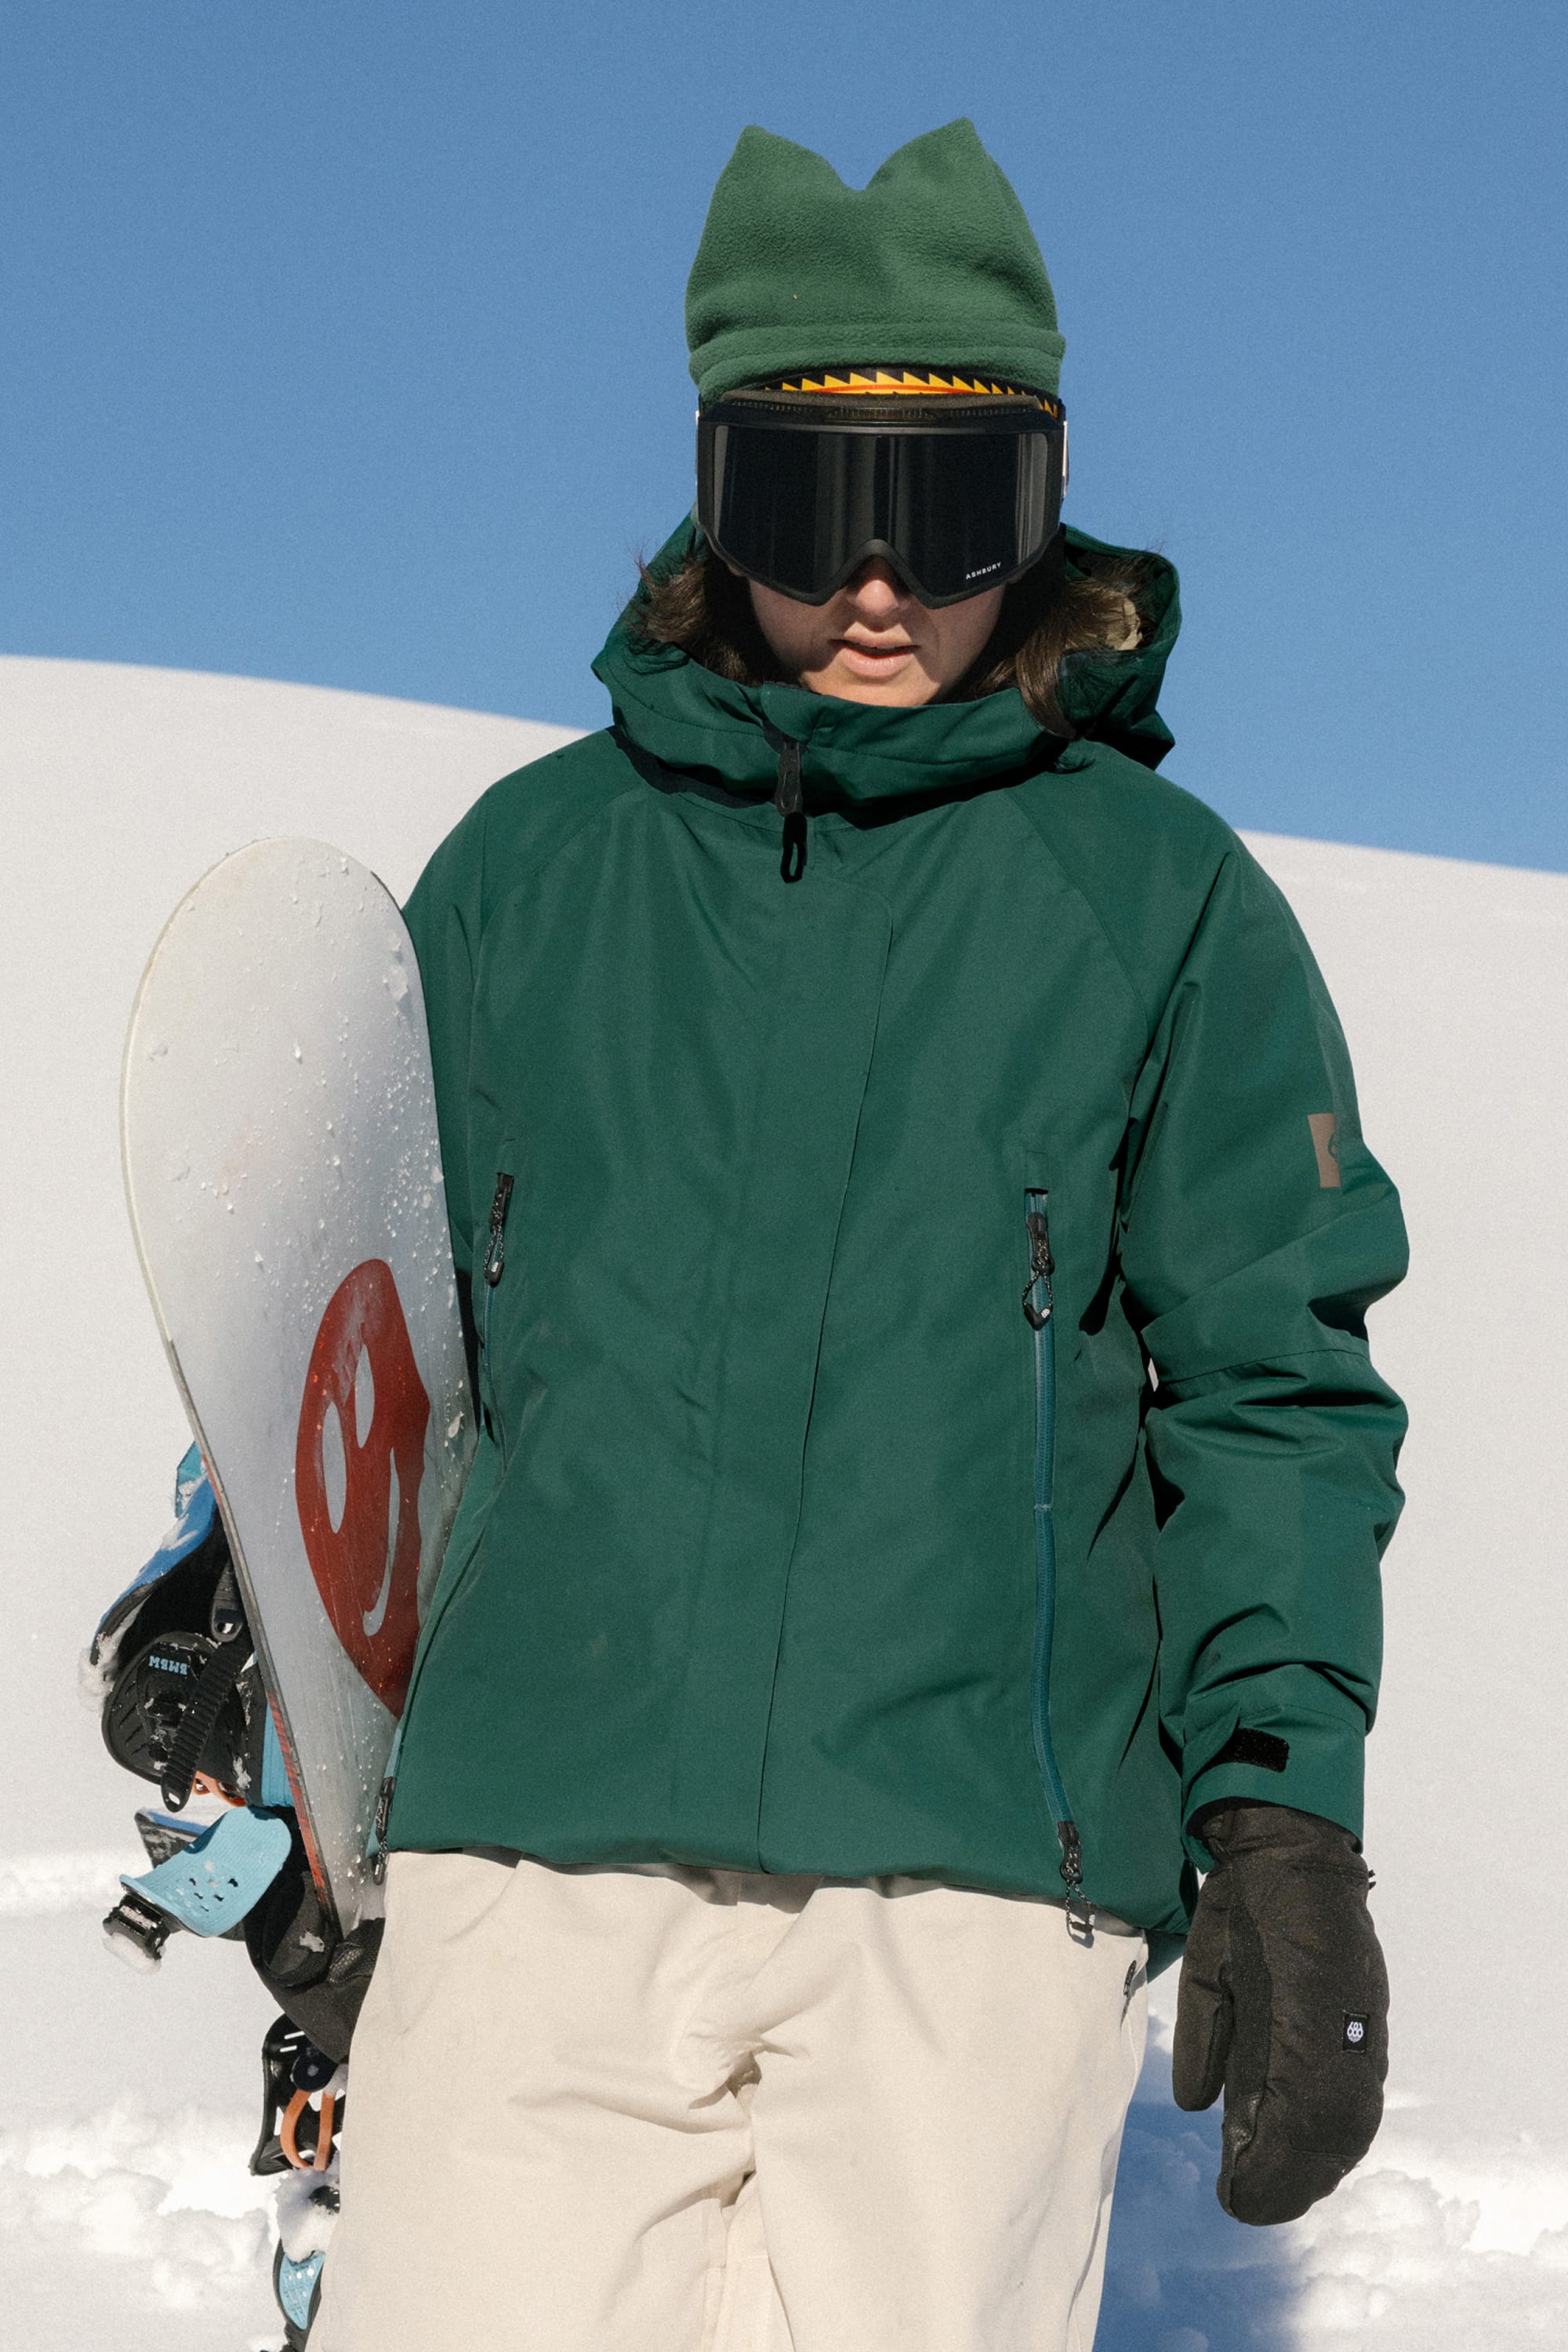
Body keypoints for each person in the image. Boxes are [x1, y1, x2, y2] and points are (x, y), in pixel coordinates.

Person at [310, 120, 1406, 2352]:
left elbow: (1276, 1395)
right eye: (810, 513)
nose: (880, 590)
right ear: (719, 507)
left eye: (953, 512)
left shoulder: (1160, 904)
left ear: (1052, 487)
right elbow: (361, 1336)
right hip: (544, 1842)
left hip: (971, 1888)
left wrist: (1284, 1822)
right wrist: (248, 1621)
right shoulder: (528, 877)